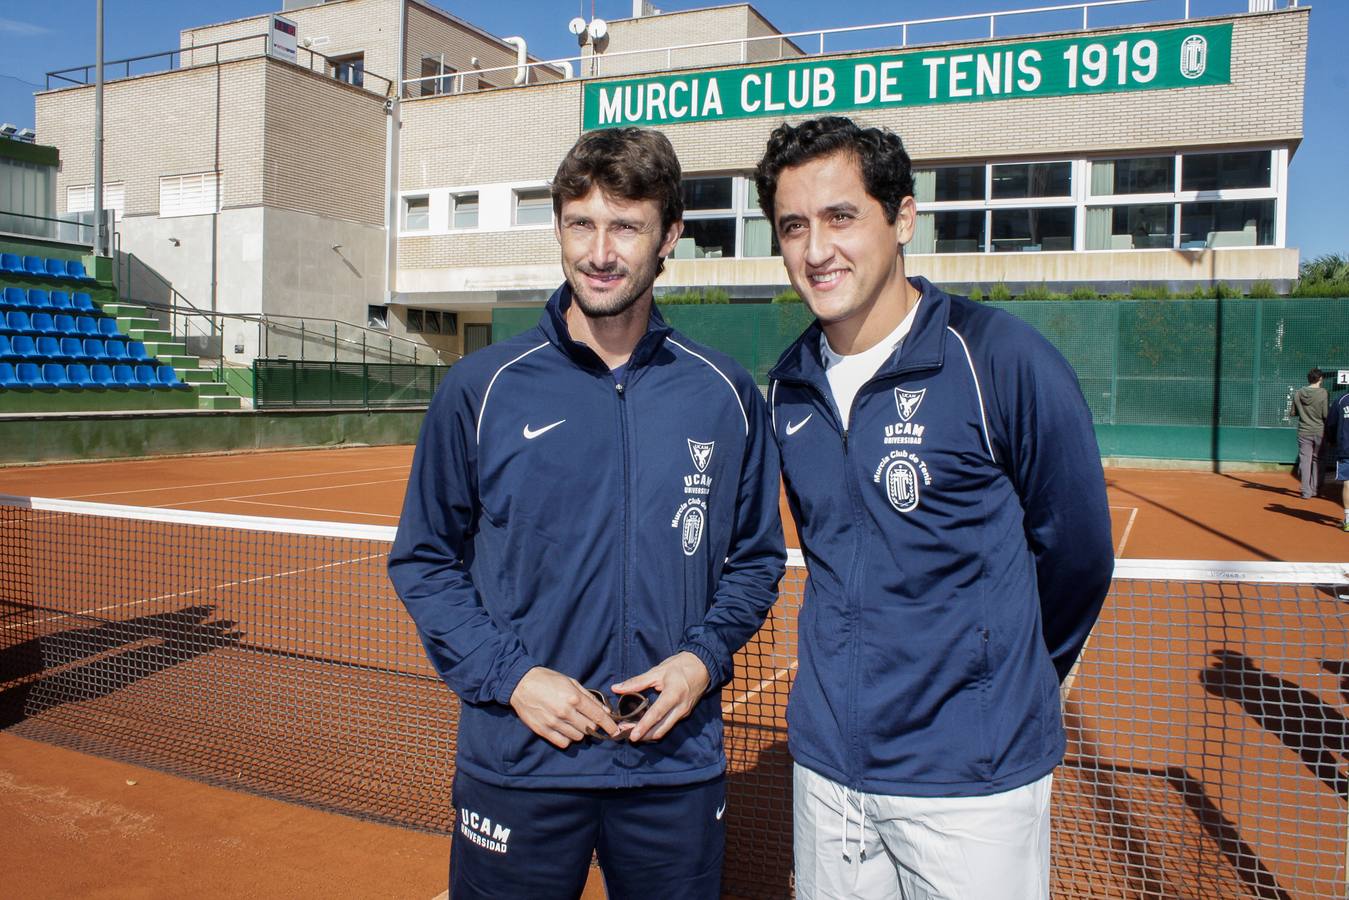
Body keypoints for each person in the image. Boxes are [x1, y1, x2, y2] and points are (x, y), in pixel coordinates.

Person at [388, 127, 785, 900]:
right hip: (520, 761)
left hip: (672, 767)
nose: (599, 251)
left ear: (669, 236)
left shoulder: (724, 392)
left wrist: (701, 660)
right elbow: (424, 559)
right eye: (581, 223)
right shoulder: (479, 389)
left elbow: (755, 560)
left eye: (626, 226)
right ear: (560, 228)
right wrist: (513, 679)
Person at [753, 116, 1115, 899]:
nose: (816, 250)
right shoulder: (788, 387)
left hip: (971, 780)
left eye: (841, 216)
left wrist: (998, 683)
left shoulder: (999, 359)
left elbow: (1078, 556)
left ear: (902, 218)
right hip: (828, 772)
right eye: (793, 226)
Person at [1289, 368, 1329, 499]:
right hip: (1319, 431)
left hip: (1304, 431)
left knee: (1305, 461)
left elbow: (1293, 413)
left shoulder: (1298, 393)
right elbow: (1325, 414)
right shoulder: (1323, 393)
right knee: (1318, 460)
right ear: (1320, 379)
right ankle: (1314, 489)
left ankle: (1306, 492)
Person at [1331, 385, 1349, 533]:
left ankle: (1348, 520)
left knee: (1348, 484)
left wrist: (1331, 440)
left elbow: (1331, 424)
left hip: (1345, 448)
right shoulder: (1340, 400)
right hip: (1345, 449)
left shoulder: (1341, 400)